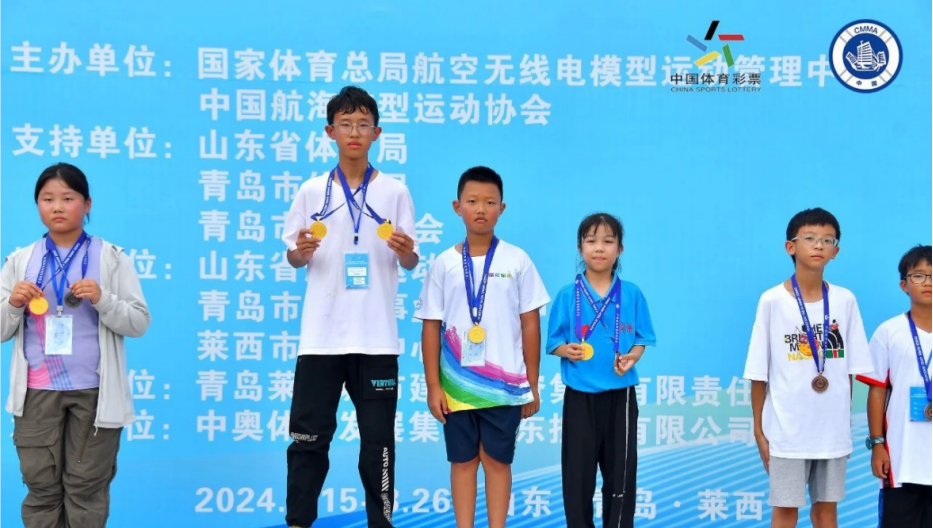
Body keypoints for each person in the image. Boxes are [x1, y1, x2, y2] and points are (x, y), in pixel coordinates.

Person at [282, 86, 419, 528]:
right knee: (308, 440)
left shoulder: (395, 192)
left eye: (363, 124)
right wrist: (300, 253)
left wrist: (406, 253)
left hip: (376, 339)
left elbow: (411, 260)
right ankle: (298, 521)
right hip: (320, 339)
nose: (354, 133)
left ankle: (381, 522)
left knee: (378, 444)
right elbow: (293, 255)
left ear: (376, 132)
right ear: (330, 132)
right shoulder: (311, 191)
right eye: (345, 124)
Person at [0, 162, 151, 528]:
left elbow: (138, 322)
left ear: (87, 204)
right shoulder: (20, 260)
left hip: (95, 393)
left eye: (68, 198)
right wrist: (13, 304)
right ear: (37, 204)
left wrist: (103, 299)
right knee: (41, 489)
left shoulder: (111, 258)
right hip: (36, 392)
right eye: (47, 198)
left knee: (86, 490)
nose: (57, 207)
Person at [415, 166, 549, 528]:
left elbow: (531, 324)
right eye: (472, 201)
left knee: (497, 461)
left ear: (501, 209)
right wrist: (433, 386)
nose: (481, 209)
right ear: (457, 206)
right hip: (456, 386)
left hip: (504, 385)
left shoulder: (517, 260)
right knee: (462, 462)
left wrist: (531, 383)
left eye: (490, 202)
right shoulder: (444, 263)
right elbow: (431, 326)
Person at [743, 207, 873, 528]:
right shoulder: (772, 300)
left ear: (835, 251)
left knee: (826, 511)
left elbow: (849, 373)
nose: (819, 245)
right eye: (810, 238)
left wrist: (842, 423)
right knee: (786, 511)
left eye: (828, 240)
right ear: (791, 246)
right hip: (787, 432)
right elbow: (759, 374)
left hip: (831, 433)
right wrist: (759, 430)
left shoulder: (845, 300)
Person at [545, 213, 656, 528]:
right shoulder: (568, 295)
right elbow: (554, 342)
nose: (599, 248)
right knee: (577, 477)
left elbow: (642, 340)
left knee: (621, 477)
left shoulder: (631, 293)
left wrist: (632, 358)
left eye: (608, 241)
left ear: (620, 249)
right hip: (580, 395)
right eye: (591, 241)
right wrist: (566, 350)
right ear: (580, 247)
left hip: (621, 397)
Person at [857, 244, 932, 528]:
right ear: (904, 285)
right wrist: (877, 444)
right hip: (902, 460)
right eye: (919, 276)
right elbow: (877, 391)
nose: (928, 282)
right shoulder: (888, 332)